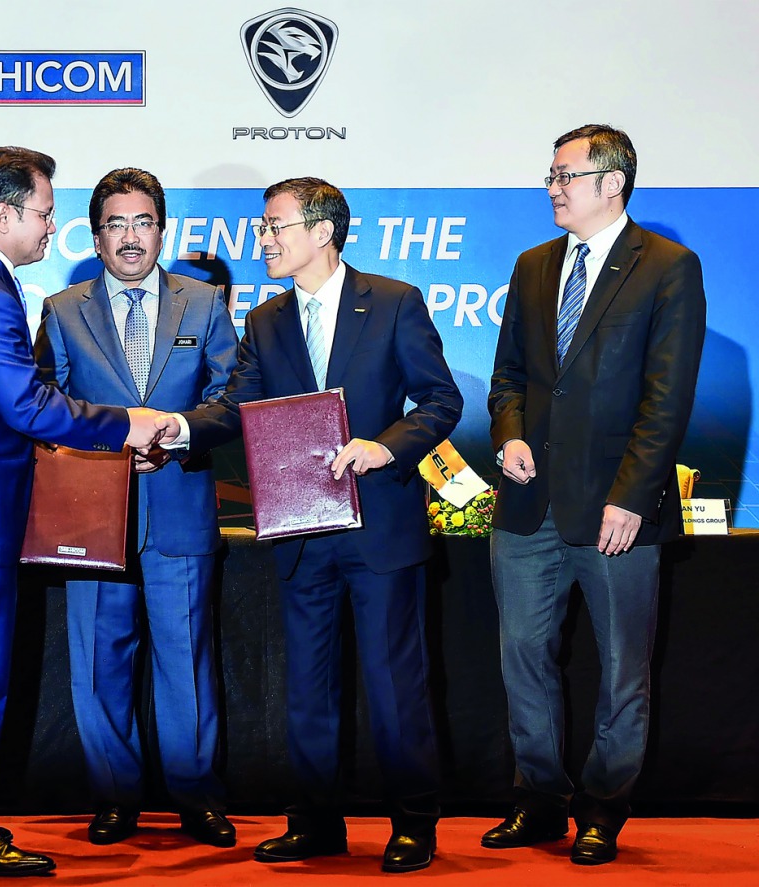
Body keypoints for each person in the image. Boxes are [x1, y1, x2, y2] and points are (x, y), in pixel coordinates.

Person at [0, 147, 173, 877]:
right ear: (7, 212)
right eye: (46, 212)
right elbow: (27, 404)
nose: (54, 226)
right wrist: (126, 422)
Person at [186, 177, 462, 872]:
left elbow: (440, 399)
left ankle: (413, 823)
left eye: (275, 225)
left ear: (322, 232)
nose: (264, 238)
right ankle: (314, 821)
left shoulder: (395, 302)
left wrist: (386, 447)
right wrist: (174, 428)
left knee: (396, 684)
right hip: (301, 530)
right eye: (263, 226)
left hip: (380, 527)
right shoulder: (266, 319)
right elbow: (232, 408)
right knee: (308, 686)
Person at [484, 124, 705, 865]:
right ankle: (540, 800)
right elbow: (508, 374)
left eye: (565, 174)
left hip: (616, 507)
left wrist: (633, 495)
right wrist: (510, 432)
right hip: (526, 504)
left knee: (621, 668)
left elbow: (666, 400)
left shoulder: (669, 267)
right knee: (523, 654)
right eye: (550, 174)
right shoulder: (532, 264)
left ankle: (605, 806)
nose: (552, 186)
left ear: (612, 182)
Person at [34, 168, 239, 848]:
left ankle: (195, 796)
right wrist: (113, 440)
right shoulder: (62, 311)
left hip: (179, 513)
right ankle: (116, 798)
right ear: (95, 236)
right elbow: (45, 411)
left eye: (143, 222)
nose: (130, 237)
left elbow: (230, 401)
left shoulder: (204, 304)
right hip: (92, 519)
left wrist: (174, 433)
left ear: (162, 229)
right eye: (116, 224)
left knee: (187, 665)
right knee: (100, 665)